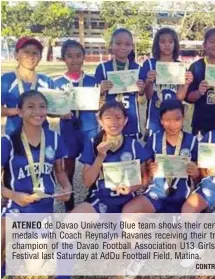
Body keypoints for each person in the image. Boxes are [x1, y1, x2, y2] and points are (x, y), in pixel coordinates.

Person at [1, 90, 72, 278]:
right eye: (30, 107)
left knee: (36, 268)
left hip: (43, 209)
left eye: (42, 106)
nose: (37, 111)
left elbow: (60, 171)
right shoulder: (8, 141)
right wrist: (13, 195)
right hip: (16, 207)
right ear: (20, 111)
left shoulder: (54, 138)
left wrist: (66, 187)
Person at [71, 101, 150, 214]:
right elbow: (87, 182)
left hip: (129, 200)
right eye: (108, 118)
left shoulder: (133, 145)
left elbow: (144, 177)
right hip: (100, 199)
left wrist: (132, 188)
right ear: (100, 121)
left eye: (118, 117)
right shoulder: (93, 144)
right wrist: (99, 157)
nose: (113, 122)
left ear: (125, 121)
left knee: (133, 225)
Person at [122, 99, 200, 213]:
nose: (172, 125)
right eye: (167, 120)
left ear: (183, 118)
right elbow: (145, 174)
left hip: (182, 196)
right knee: (129, 211)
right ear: (161, 120)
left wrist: (195, 173)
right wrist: (149, 170)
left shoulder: (192, 141)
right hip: (156, 193)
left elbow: (200, 177)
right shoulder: (154, 139)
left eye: (177, 119)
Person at [54, 40, 99, 211]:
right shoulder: (56, 83)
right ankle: (69, 200)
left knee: (91, 163)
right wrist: (59, 112)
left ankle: (93, 195)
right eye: (70, 56)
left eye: (78, 56)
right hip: (68, 130)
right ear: (64, 58)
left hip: (89, 128)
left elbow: (100, 104)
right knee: (69, 167)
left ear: (84, 58)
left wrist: (101, 94)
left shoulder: (93, 81)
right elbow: (50, 109)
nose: (74, 60)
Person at [140, 28, 193, 137]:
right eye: (163, 41)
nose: (167, 45)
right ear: (157, 44)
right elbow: (149, 96)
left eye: (170, 41)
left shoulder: (180, 67)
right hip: (154, 117)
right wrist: (149, 82)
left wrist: (186, 84)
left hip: (174, 117)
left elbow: (179, 98)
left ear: (175, 44)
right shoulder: (149, 64)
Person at [95, 28, 145, 138]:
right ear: (111, 45)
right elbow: (96, 99)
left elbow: (141, 101)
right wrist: (101, 90)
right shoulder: (102, 68)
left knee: (130, 153)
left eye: (127, 44)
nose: (122, 47)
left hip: (131, 120)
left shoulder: (138, 69)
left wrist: (141, 91)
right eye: (118, 43)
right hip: (109, 122)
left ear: (132, 46)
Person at [1, 37, 54, 135]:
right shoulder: (6, 80)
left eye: (35, 53)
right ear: (16, 54)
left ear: (40, 57)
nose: (31, 56)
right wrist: (18, 111)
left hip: (42, 135)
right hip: (15, 135)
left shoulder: (46, 81)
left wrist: (63, 110)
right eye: (26, 52)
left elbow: (53, 109)